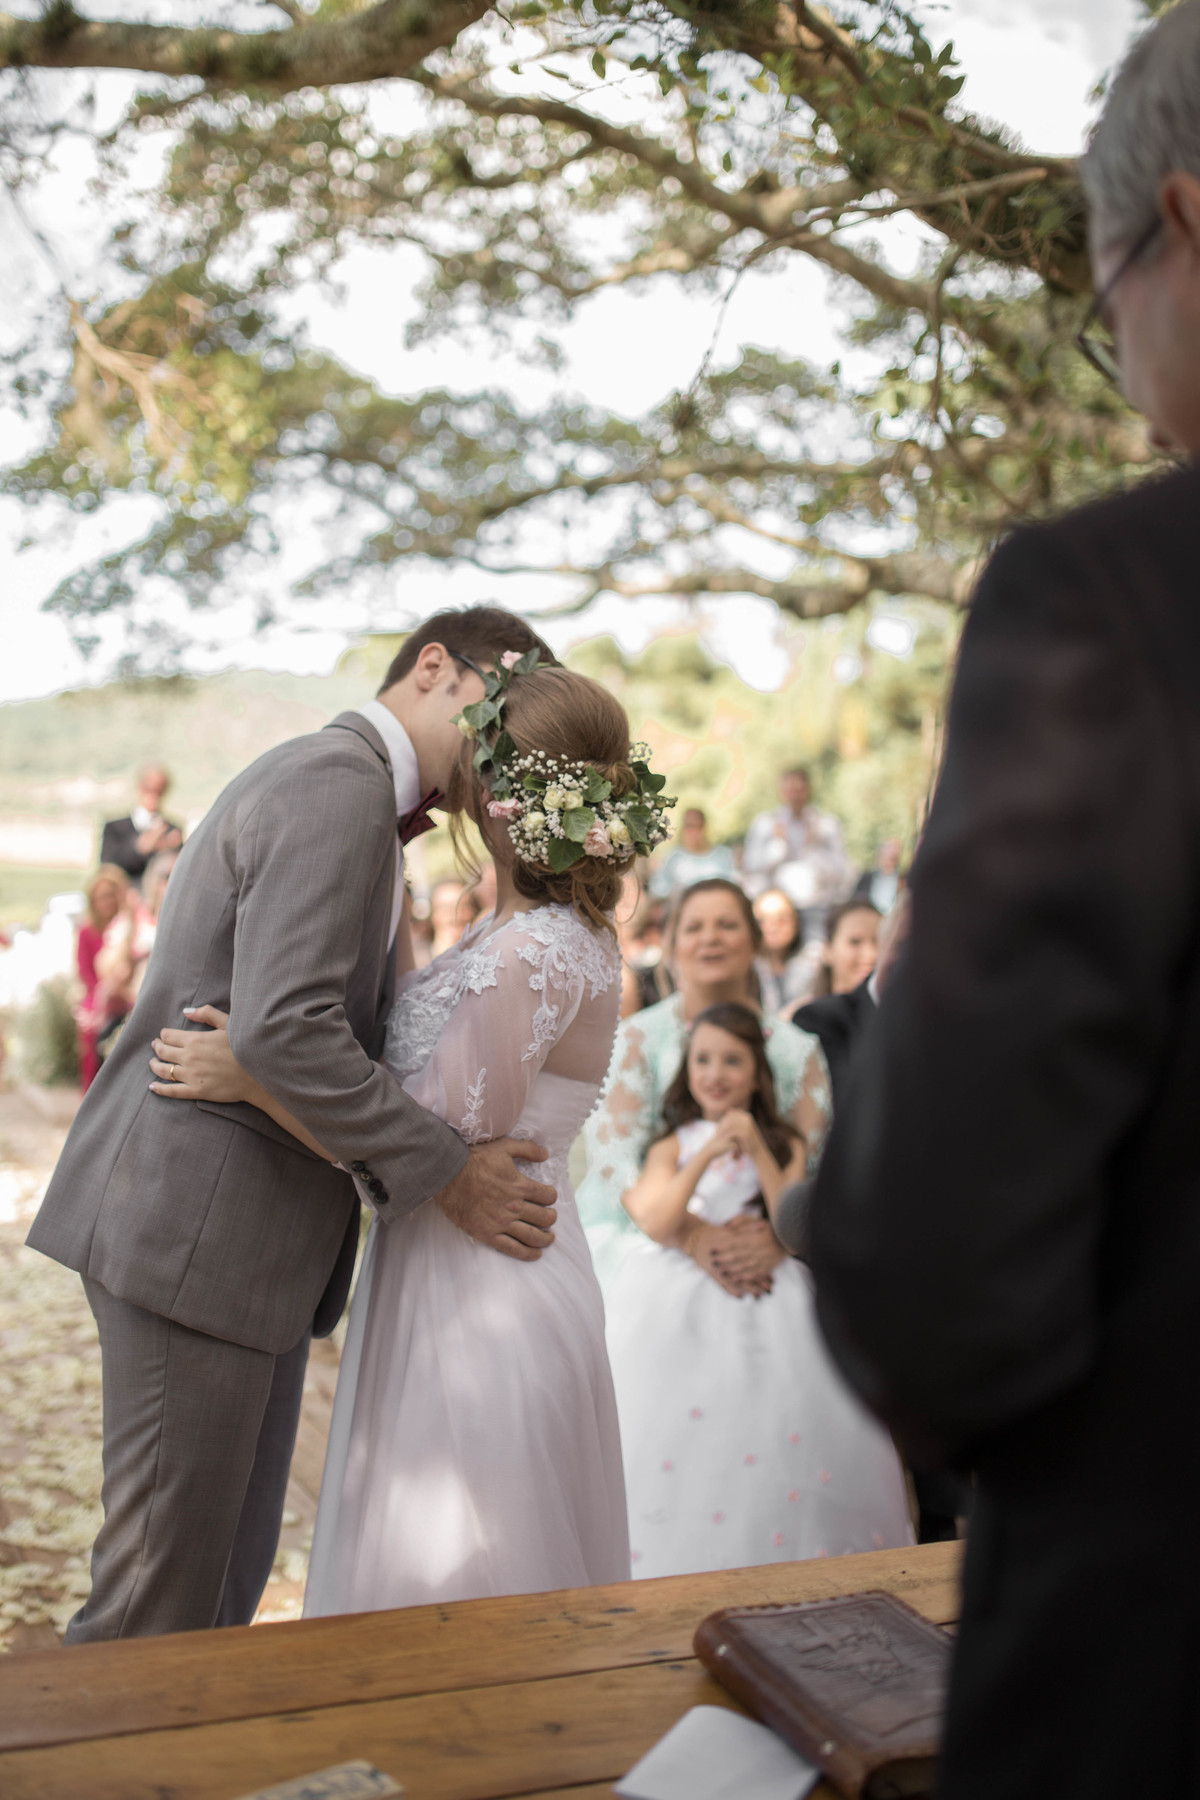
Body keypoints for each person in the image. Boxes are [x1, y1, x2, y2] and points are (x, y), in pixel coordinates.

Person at [811, 12, 1200, 1791]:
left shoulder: (1115, 604)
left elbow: (935, 1267)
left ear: (1181, 228)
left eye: (1104, 286)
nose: (1114, 352)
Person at [27, 605, 564, 1640]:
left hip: (236, 1246)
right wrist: (451, 1171)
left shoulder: (353, 795)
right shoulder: (338, 786)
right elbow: (290, 1030)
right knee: (154, 1606)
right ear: (434, 668)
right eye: (497, 715)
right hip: (198, 1235)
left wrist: (268, 1065)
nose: (502, 751)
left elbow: (278, 1036)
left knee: (217, 1594)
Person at [150, 661, 675, 1611]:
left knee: (460, 1577)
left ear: (509, 797)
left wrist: (254, 1079)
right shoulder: (530, 934)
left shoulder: (531, 953)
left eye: (481, 756)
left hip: (480, 1289)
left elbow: (420, 1143)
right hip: (463, 1266)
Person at [606, 1001, 912, 1576]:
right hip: (681, 1293)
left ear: (756, 1073)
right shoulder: (672, 1142)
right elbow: (658, 1219)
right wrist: (704, 1157)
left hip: (774, 1290)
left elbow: (788, 1224)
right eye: (703, 1060)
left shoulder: (787, 1142)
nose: (715, 1074)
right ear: (686, 1070)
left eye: (731, 1061)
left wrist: (753, 1143)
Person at [579, 877, 831, 1297]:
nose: (710, 938)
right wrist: (693, 1238)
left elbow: (812, 1168)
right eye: (694, 928)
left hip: (766, 1248)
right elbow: (617, 1163)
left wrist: (774, 1238)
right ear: (672, 945)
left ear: (755, 942)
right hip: (645, 1238)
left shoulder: (798, 1051)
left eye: (727, 925)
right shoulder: (635, 1040)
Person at [788, 901, 881, 1107]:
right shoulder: (807, 1017)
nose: (871, 954)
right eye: (855, 942)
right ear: (828, 950)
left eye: (879, 942)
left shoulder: (895, 1019)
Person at [741, 770, 851, 935]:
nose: (795, 796)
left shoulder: (826, 824)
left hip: (816, 908)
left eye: (799, 790)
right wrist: (778, 845)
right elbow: (751, 865)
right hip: (775, 911)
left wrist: (813, 847)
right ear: (781, 792)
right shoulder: (765, 823)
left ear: (808, 791)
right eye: (790, 791)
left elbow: (841, 871)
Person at [75, 866, 136, 1092]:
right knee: (92, 1028)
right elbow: (85, 972)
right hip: (98, 994)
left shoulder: (127, 926)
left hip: (125, 994)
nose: (107, 902)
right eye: (101, 898)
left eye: (111, 896)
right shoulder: (87, 930)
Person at [99, 765, 183, 889]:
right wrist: (139, 848)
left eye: (159, 790)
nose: (154, 795)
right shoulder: (115, 828)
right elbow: (107, 870)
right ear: (140, 787)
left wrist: (170, 850)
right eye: (149, 788)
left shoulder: (173, 831)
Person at [649, 807, 735, 896]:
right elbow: (658, 891)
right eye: (688, 826)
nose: (692, 831)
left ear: (705, 827)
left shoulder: (725, 855)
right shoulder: (673, 858)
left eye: (697, 826)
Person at [753, 887, 812, 1012]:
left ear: (796, 922)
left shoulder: (814, 966)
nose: (773, 927)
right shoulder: (745, 969)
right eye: (762, 920)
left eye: (782, 920)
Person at [852, 838, 903, 916]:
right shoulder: (866, 878)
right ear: (880, 855)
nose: (888, 860)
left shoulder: (902, 881)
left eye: (892, 857)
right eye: (886, 855)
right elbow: (856, 901)